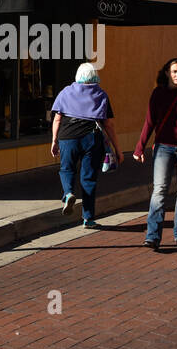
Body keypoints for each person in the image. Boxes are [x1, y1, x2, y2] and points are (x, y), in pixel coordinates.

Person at [133, 57, 177, 249]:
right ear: (167, 73)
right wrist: (140, 147)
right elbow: (150, 121)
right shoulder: (158, 93)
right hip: (164, 146)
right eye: (174, 71)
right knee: (160, 190)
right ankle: (152, 236)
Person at [50, 62, 123, 231]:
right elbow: (108, 124)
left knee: (67, 169)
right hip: (92, 137)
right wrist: (117, 149)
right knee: (88, 178)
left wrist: (54, 140)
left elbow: (57, 119)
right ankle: (88, 218)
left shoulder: (66, 92)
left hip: (68, 136)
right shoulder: (101, 94)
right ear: (95, 76)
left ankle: (68, 193)